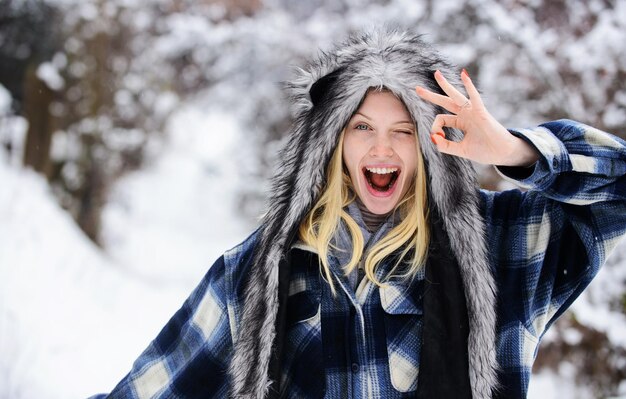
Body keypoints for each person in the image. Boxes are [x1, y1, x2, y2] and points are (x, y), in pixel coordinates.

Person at [92, 29, 626, 399]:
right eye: (361, 127)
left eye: (404, 131)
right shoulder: (261, 271)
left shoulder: (502, 245)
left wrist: (512, 150)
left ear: (432, 145)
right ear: (331, 143)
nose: (382, 150)